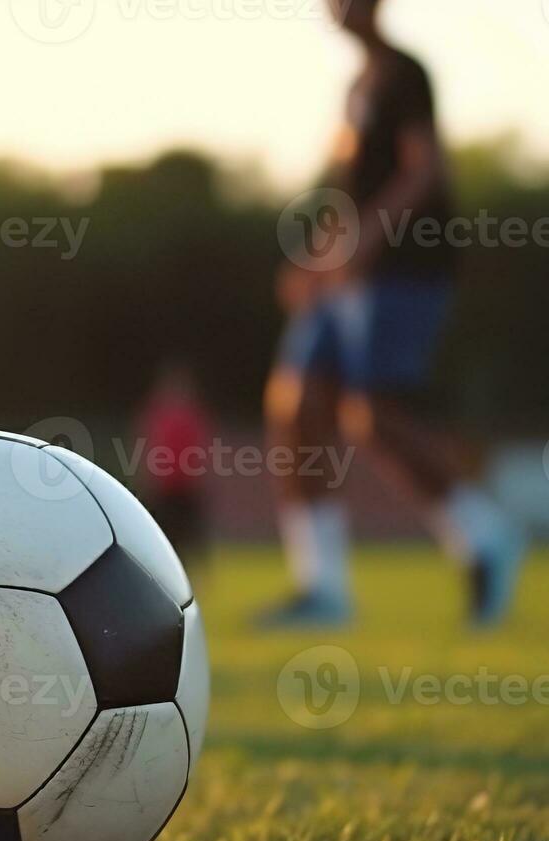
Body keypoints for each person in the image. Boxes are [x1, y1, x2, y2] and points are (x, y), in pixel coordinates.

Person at [258, 0, 523, 629]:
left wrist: (364, 244)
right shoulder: (357, 85)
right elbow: (352, 194)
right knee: (295, 406)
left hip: (404, 271)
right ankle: (323, 588)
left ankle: (487, 537)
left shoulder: (406, 72)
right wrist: (320, 258)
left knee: (371, 415)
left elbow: (423, 169)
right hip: (350, 275)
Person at [135, 362, 213, 573]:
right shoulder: (157, 413)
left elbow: (200, 446)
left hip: (186, 488)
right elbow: (148, 444)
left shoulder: (191, 414)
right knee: (164, 538)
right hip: (164, 489)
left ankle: (193, 574)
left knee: (191, 538)